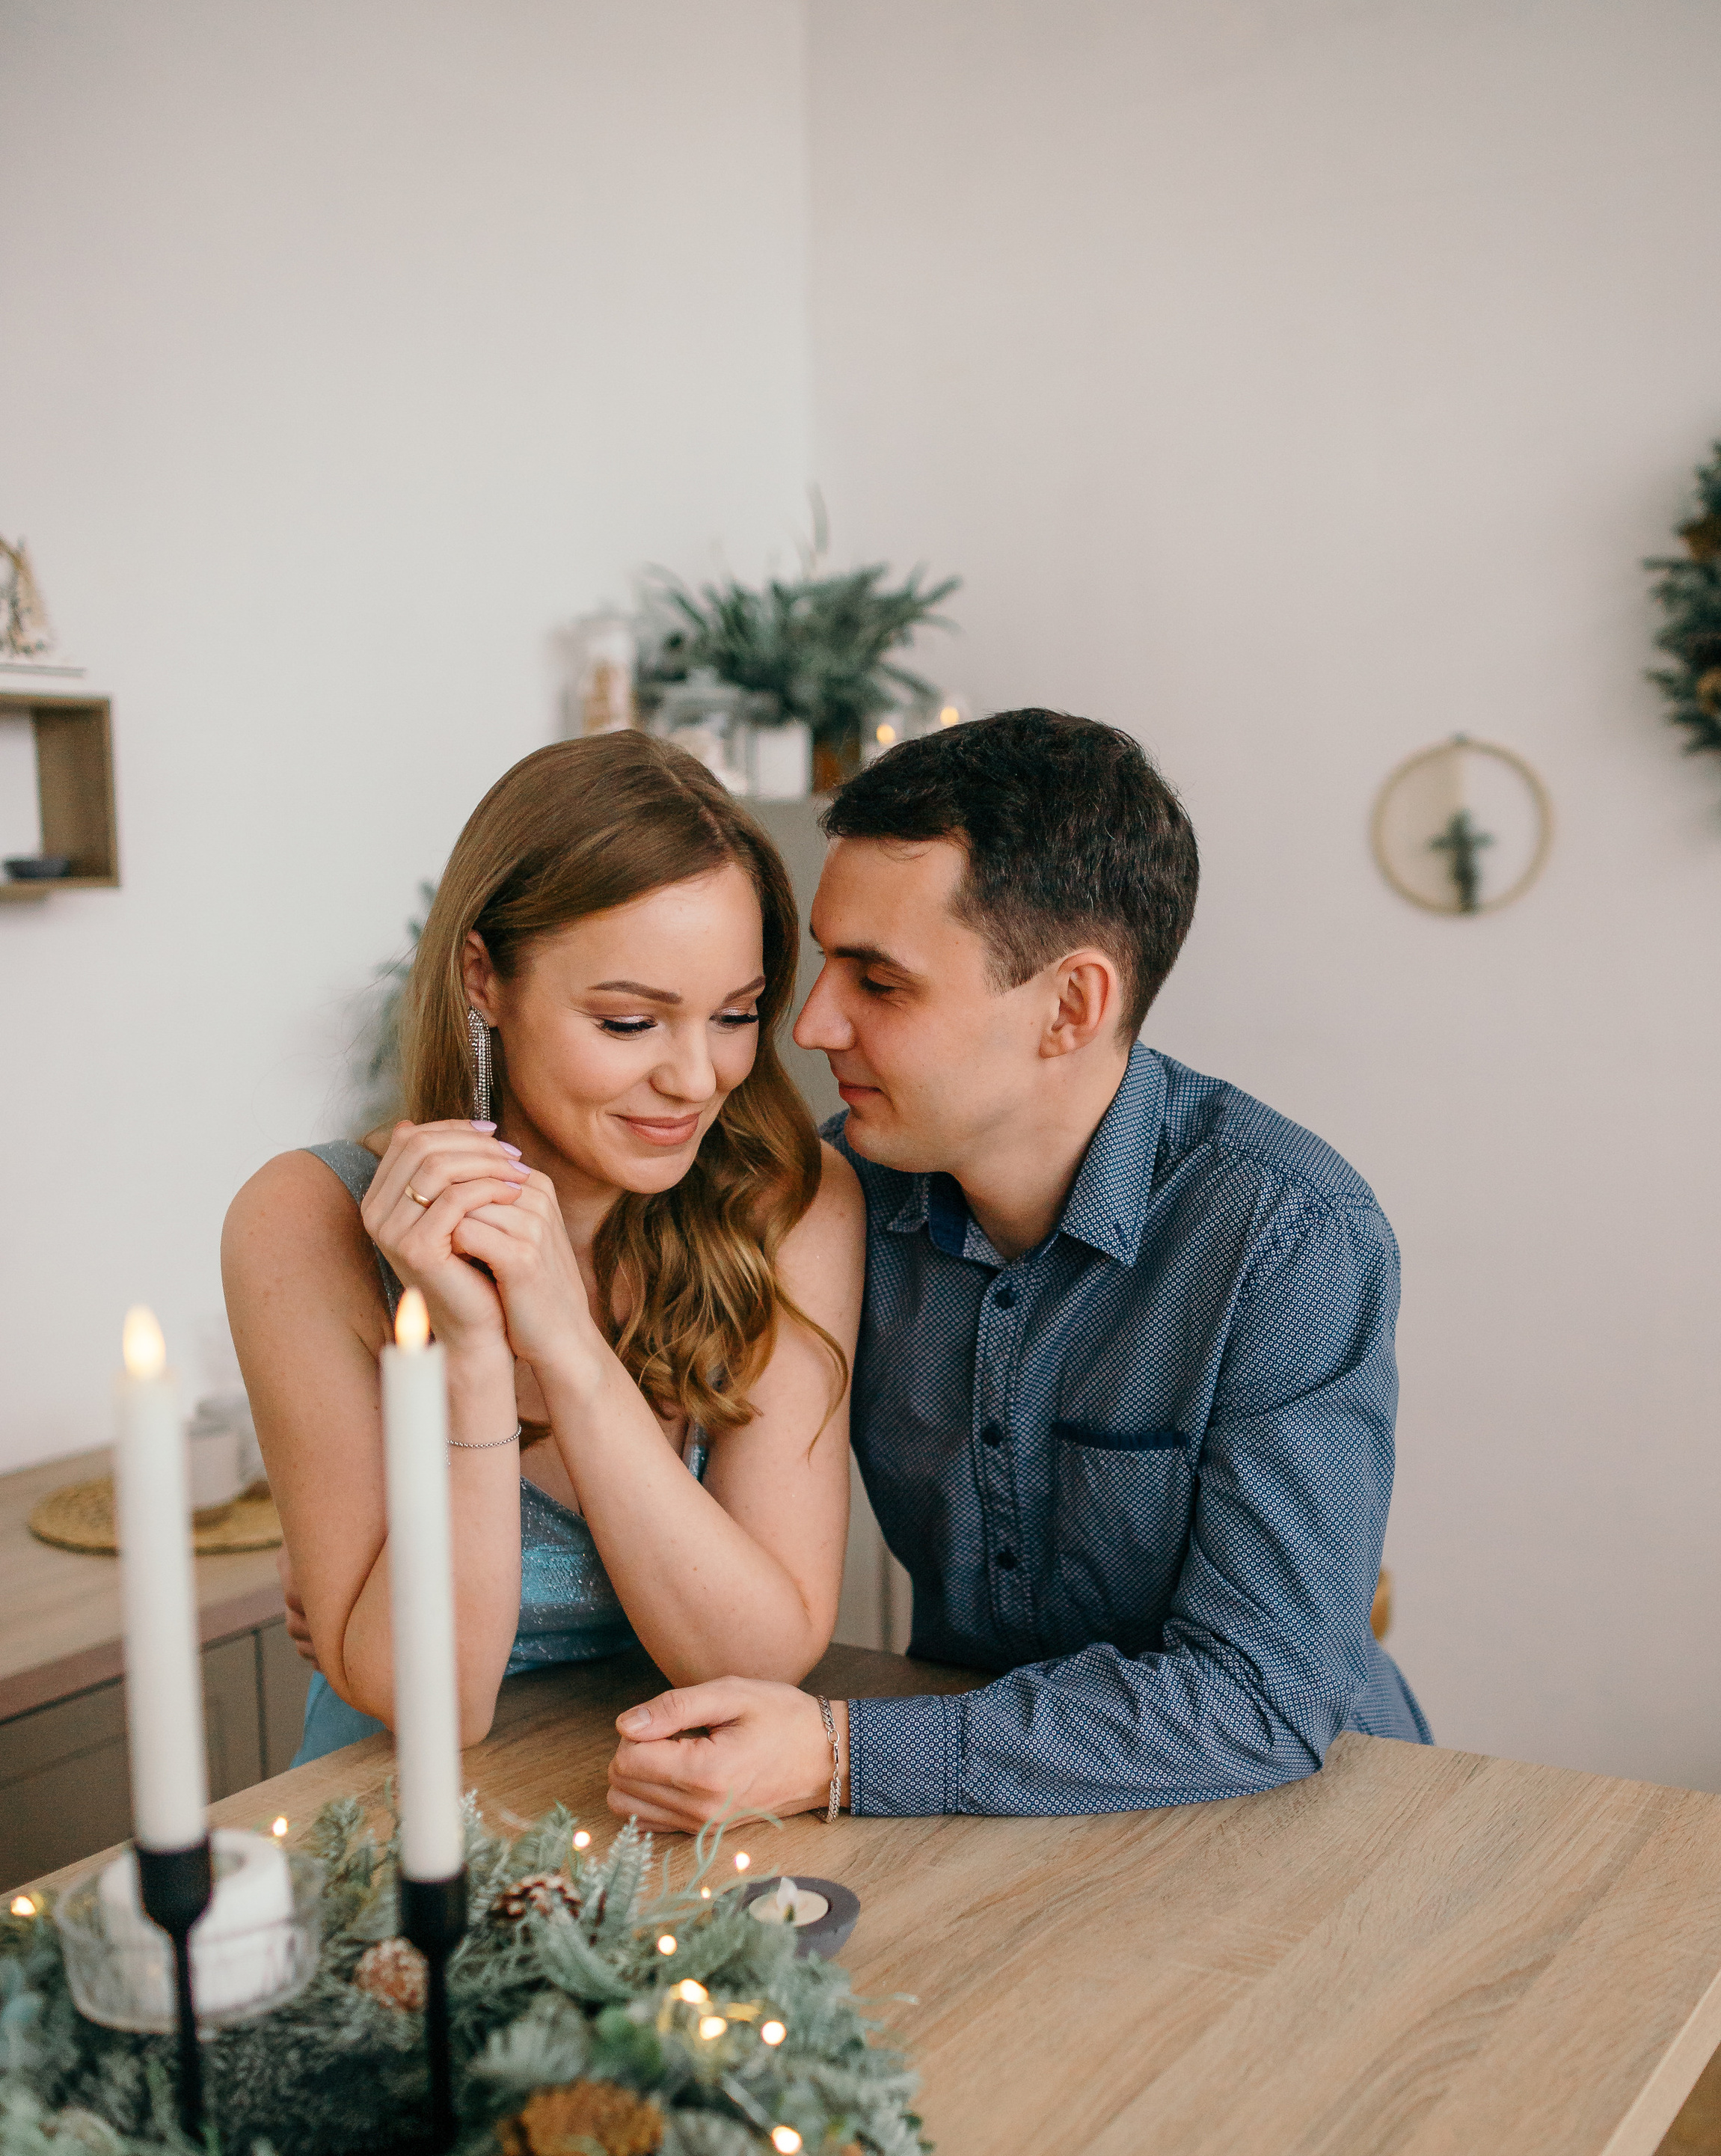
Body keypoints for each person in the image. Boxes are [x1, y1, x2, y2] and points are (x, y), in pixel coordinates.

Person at [605, 707, 1429, 1831]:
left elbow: (1262, 1701)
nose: (812, 1026)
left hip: (1297, 1820)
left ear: (1070, 1006)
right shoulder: (832, 1203)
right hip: (977, 1823)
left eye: (879, 982)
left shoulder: (1288, 1236)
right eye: (825, 965)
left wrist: (842, 1755)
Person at [225, 733, 862, 1765]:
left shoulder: (791, 1203)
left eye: (735, 1015)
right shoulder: (305, 1220)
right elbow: (430, 1705)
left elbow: (756, 1657)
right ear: (484, 977)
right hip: (397, 1812)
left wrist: (567, 1345)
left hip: (679, 1799)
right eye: (629, 1023)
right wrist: (474, 1356)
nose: (697, 1078)